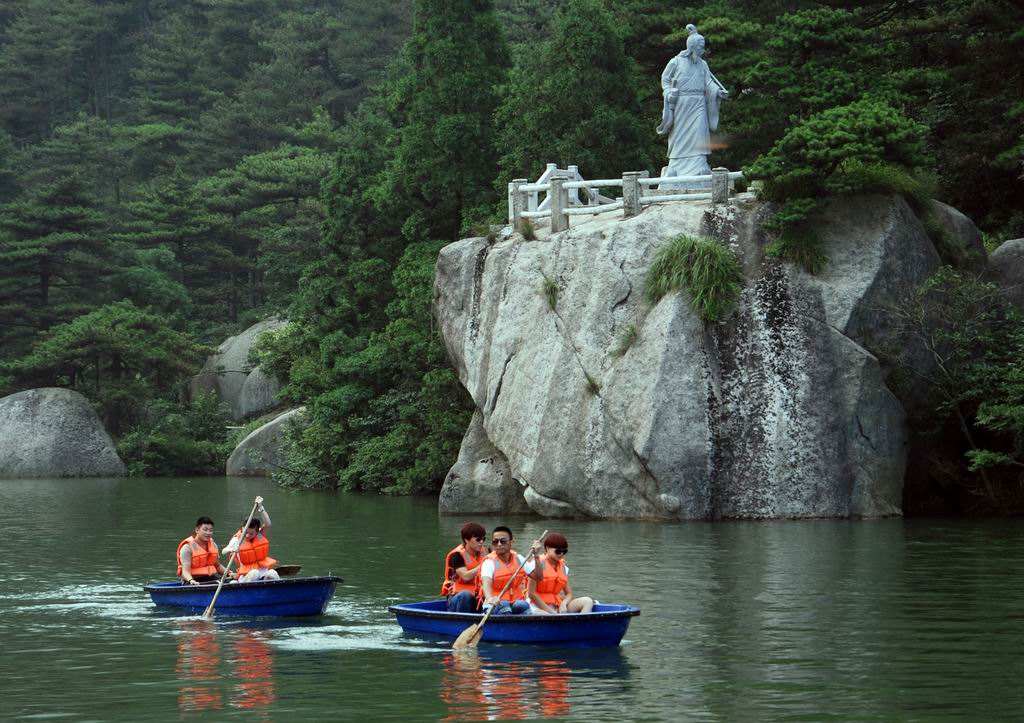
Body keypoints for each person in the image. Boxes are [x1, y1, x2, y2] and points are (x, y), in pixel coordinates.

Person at [656, 24, 729, 189]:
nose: (703, 50)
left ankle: (699, 167)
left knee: (699, 133)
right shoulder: (676, 62)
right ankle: (675, 168)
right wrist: (669, 92)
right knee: (678, 136)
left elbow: (709, 83)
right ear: (692, 47)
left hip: (699, 104)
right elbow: (665, 79)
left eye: (703, 47)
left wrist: (717, 93)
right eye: (700, 47)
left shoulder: (703, 65)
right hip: (682, 103)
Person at [477, 526, 544, 615]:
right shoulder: (489, 562)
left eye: (503, 541)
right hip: (495, 605)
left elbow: (538, 577)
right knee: (504, 605)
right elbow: (486, 584)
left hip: (515, 603)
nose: (499, 544)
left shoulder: (519, 559)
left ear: (511, 542)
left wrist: (536, 556)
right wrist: (490, 598)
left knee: (523, 605)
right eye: (495, 541)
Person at [525, 532, 594, 614]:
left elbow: (569, 594)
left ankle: (582, 624)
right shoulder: (536, 564)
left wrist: (564, 604)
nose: (561, 554)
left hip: (556, 606)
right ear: (547, 548)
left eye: (564, 551)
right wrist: (550, 612)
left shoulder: (563, 568)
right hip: (536, 606)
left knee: (588, 601)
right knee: (545, 614)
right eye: (558, 551)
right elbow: (531, 594)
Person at [223, 496, 278, 582]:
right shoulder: (236, 540)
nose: (247, 535)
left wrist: (260, 507)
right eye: (245, 532)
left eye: (251, 533)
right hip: (246, 576)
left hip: (263, 574)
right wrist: (232, 549)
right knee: (254, 573)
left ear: (257, 531)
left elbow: (268, 524)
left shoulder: (260, 535)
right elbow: (224, 551)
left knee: (272, 573)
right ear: (242, 528)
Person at [440, 522, 487, 613]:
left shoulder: (487, 552)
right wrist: (485, 565)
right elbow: (465, 576)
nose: (481, 542)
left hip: (479, 596)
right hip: (457, 598)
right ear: (466, 540)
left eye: (483, 539)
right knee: (466, 595)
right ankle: (463, 623)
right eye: (478, 539)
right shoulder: (457, 555)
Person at [177, 516, 234, 584]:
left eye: (210, 530)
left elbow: (217, 566)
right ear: (197, 530)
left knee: (232, 582)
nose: (208, 533)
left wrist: (230, 573)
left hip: (211, 578)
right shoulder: (187, 547)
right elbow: (185, 571)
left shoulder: (213, 545)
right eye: (205, 530)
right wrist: (191, 580)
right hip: (193, 580)